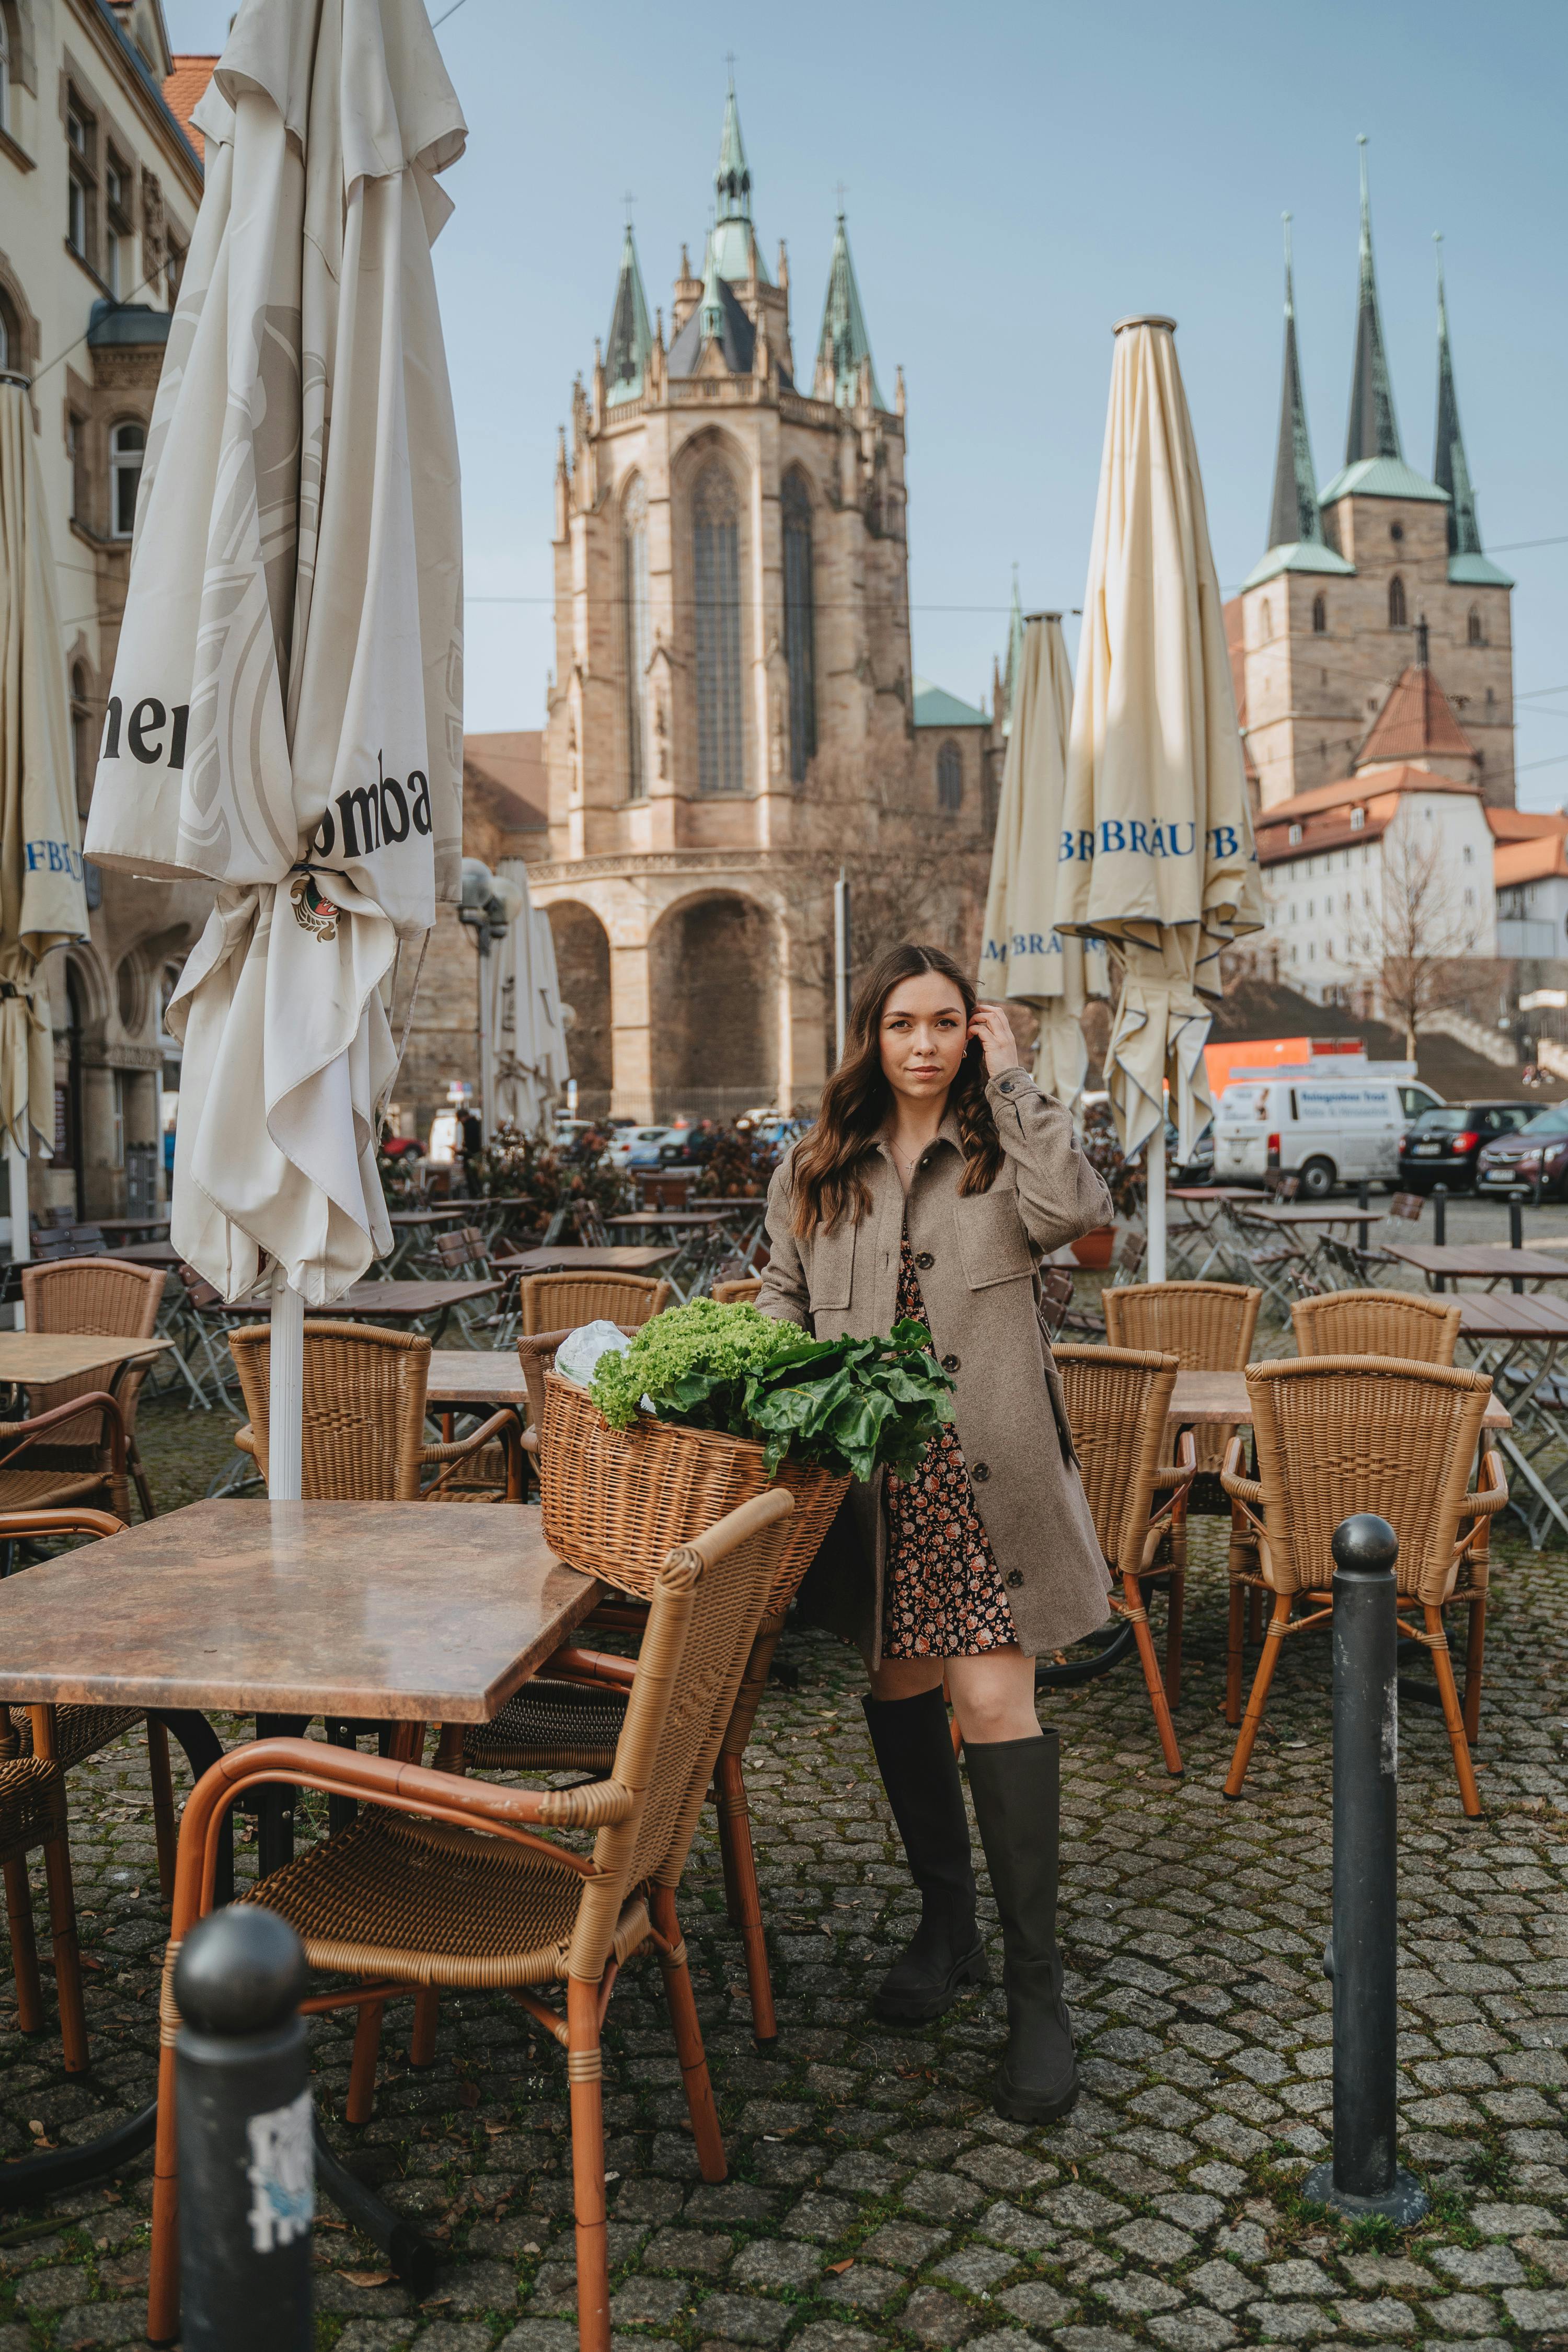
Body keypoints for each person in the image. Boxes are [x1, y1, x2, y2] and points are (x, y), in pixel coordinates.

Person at [756, 942, 1113, 2123]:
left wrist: (1014, 1080)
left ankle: (1037, 1996)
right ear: (872, 1034)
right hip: (873, 1490)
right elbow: (781, 1297)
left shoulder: (1006, 1149)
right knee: (899, 1687)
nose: (924, 1043)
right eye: (903, 1023)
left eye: (948, 1023)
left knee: (997, 1706)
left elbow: (1081, 1213)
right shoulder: (819, 1167)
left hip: (982, 1475)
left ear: (974, 1029)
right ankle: (946, 1921)